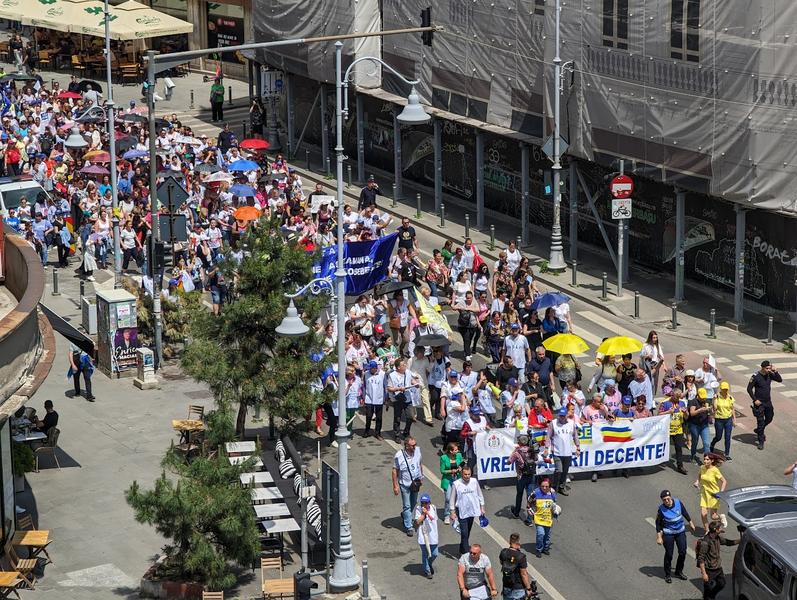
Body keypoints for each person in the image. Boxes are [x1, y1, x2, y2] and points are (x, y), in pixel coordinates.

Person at [655, 490, 696, 583]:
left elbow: (684, 512)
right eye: (664, 500)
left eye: (668, 499)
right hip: (668, 533)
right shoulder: (661, 510)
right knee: (669, 554)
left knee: (682, 552)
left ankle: (678, 571)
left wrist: (691, 522)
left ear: (671, 497)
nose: (667, 501)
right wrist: (659, 537)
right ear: (662, 500)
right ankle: (667, 574)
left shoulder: (678, 502)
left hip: (680, 531)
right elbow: (658, 524)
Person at [697, 521, 739, 600]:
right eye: (720, 528)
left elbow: (727, 542)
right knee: (707, 589)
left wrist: (739, 541)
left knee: (721, 584)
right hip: (709, 569)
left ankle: (712, 596)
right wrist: (704, 573)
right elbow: (701, 559)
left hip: (718, 568)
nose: (722, 529)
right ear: (716, 530)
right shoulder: (706, 542)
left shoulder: (717, 537)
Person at [450, 465, 486, 555]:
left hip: (472, 511)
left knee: (467, 532)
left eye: (469, 474)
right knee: (465, 533)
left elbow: (479, 494)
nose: (467, 476)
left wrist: (482, 507)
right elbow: (452, 499)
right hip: (461, 511)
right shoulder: (456, 484)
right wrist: (452, 512)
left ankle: (462, 548)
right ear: (462, 474)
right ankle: (466, 554)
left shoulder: (474, 482)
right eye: (465, 474)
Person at [746, 360, 782, 450]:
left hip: (768, 402)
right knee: (761, 422)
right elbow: (749, 389)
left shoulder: (770, 374)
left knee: (770, 418)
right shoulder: (756, 376)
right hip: (760, 403)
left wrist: (775, 371)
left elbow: (779, 380)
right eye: (767, 368)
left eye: (769, 368)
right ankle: (761, 441)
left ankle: (759, 430)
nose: (768, 370)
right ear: (762, 368)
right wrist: (755, 400)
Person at [392, 436, 424, 537]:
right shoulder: (399, 455)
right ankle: (409, 526)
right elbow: (394, 471)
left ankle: (405, 515)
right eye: (412, 445)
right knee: (407, 505)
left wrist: (421, 476)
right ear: (406, 445)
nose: (415, 447)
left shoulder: (417, 451)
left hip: (415, 483)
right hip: (404, 484)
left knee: (414, 502)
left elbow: (420, 464)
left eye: (415, 444)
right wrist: (395, 486)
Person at [546, 406, 580, 495]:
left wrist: (578, 447)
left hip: (567, 453)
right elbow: (548, 436)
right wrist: (546, 448)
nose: (561, 417)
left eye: (563, 416)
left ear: (566, 415)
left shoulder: (571, 423)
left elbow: (575, 436)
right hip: (557, 452)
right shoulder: (553, 423)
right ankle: (553, 487)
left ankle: (561, 487)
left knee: (565, 472)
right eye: (560, 415)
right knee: (559, 470)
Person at [508, 434, 538, 522]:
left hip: (521, 476)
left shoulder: (517, 452)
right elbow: (536, 459)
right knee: (530, 496)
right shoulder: (532, 450)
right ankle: (529, 519)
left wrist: (513, 452)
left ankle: (516, 512)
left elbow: (509, 462)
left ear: (519, 442)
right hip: (531, 475)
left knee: (519, 494)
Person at [694, 453, 727, 531]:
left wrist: (721, 493)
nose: (705, 461)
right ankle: (707, 530)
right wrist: (697, 482)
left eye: (707, 459)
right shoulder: (702, 467)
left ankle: (721, 516)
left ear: (712, 461)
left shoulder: (715, 470)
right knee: (703, 514)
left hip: (714, 495)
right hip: (704, 493)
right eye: (704, 459)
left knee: (713, 516)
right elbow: (700, 475)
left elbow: (724, 481)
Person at [658, 390, 689, 474]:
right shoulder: (665, 403)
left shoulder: (682, 403)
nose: (677, 399)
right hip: (667, 430)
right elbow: (658, 415)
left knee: (679, 448)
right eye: (676, 397)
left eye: (679, 397)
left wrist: (685, 412)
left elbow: (686, 417)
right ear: (672, 395)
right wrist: (668, 412)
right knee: (663, 446)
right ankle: (660, 460)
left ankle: (680, 466)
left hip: (678, 429)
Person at [498, 533, 534, 600]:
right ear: (518, 543)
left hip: (506, 585)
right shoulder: (521, 556)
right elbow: (523, 574)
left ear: (509, 542)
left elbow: (501, 562)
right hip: (518, 587)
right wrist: (528, 588)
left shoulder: (503, 552)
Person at [527, 477, 557, 557]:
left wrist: (555, 511)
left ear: (549, 486)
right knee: (540, 534)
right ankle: (539, 549)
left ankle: (545, 548)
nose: (544, 488)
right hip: (538, 519)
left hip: (548, 519)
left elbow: (554, 504)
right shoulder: (535, 493)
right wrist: (531, 511)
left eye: (546, 486)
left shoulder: (552, 493)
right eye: (542, 486)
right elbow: (529, 502)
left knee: (547, 536)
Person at [413, 493, 439, 579]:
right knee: (425, 553)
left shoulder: (433, 508)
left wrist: (427, 512)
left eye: (426, 502)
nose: (425, 504)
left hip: (433, 535)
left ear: (429, 502)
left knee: (435, 553)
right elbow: (417, 521)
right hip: (423, 535)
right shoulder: (418, 509)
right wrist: (423, 514)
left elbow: (434, 518)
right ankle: (427, 570)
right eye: (423, 502)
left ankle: (428, 563)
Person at [709, 381, 736, 460]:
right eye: (724, 389)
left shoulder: (730, 397)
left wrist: (734, 420)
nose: (725, 391)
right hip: (719, 420)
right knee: (718, 437)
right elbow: (715, 408)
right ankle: (712, 444)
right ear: (721, 389)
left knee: (727, 437)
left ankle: (727, 453)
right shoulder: (717, 397)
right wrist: (714, 400)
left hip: (728, 420)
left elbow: (732, 409)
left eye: (726, 389)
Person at [440, 441, 464, 523]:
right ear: (450, 451)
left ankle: (454, 513)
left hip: (457, 479)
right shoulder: (443, 458)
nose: (457, 451)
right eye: (455, 450)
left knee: (457, 498)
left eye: (457, 450)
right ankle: (446, 515)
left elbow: (462, 464)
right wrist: (451, 471)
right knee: (448, 498)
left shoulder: (459, 455)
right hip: (448, 480)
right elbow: (442, 471)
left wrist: (461, 469)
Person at [688, 388, 712, 465]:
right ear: (698, 395)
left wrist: (711, 411)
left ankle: (707, 461)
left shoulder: (707, 401)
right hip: (694, 425)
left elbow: (711, 412)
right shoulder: (693, 402)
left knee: (706, 443)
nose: (703, 399)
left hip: (704, 425)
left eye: (704, 397)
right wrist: (700, 410)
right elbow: (691, 413)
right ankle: (693, 455)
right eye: (702, 397)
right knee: (695, 442)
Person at [363, 360, 386, 440]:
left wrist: (386, 399)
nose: (370, 370)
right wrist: (363, 397)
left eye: (371, 368)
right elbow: (364, 386)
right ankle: (367, 430)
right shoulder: (366, 374)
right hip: (369, 398)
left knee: (379, 417)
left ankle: (378, 433)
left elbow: (385, 386)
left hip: (379, 399)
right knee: (369, 416)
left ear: (375, 368)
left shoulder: (382, 374)